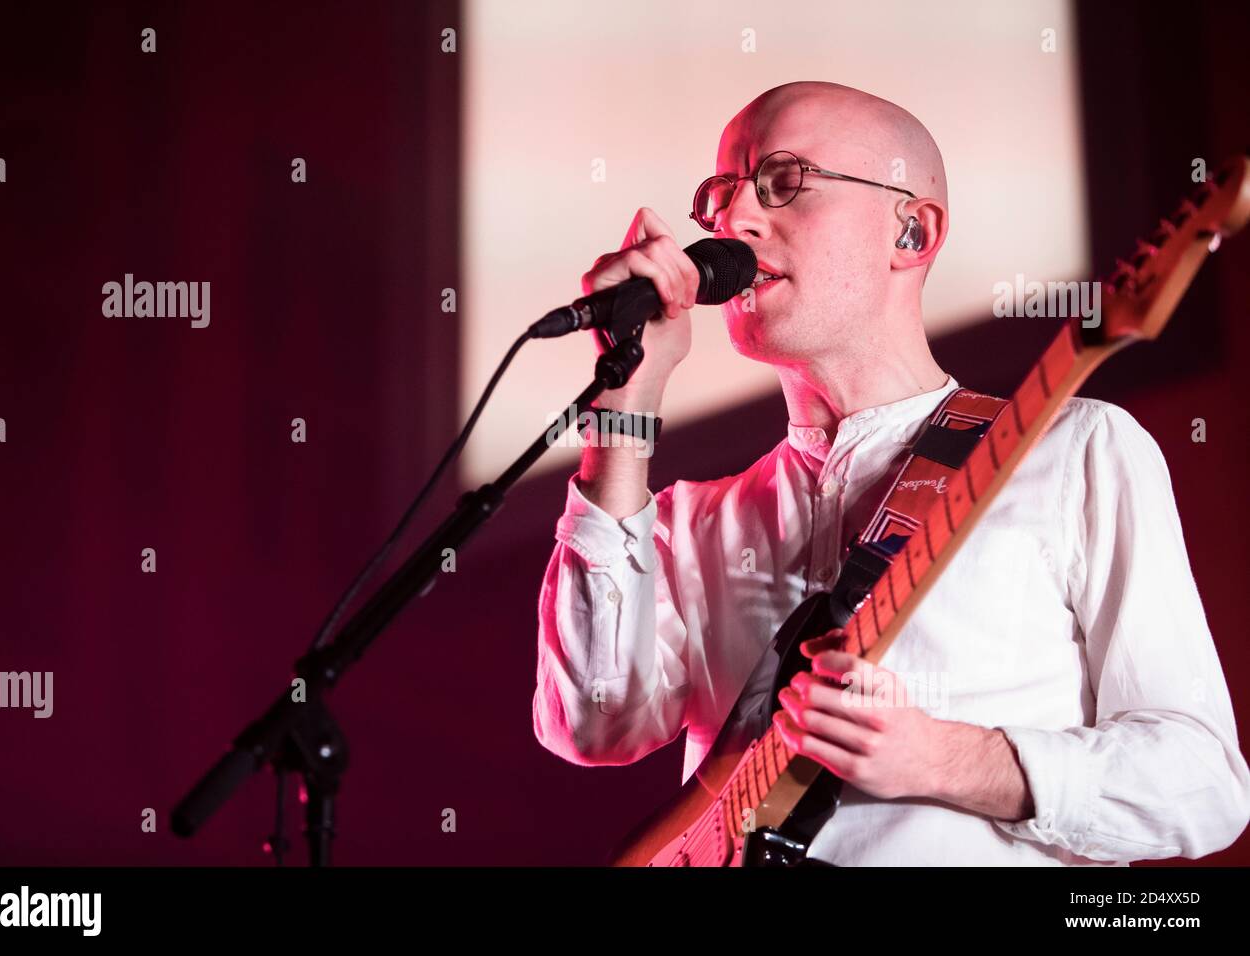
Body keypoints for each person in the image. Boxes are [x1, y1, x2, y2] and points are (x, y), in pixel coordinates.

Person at [531, 81, 1250, 864]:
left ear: (912, 230)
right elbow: (593, 725)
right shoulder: (691, 520)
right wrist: (624, 406)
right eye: (722, 195)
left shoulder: (1073, 451)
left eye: (783, 181)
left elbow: (1205, 784)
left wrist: (947, 759)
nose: (734, 220)